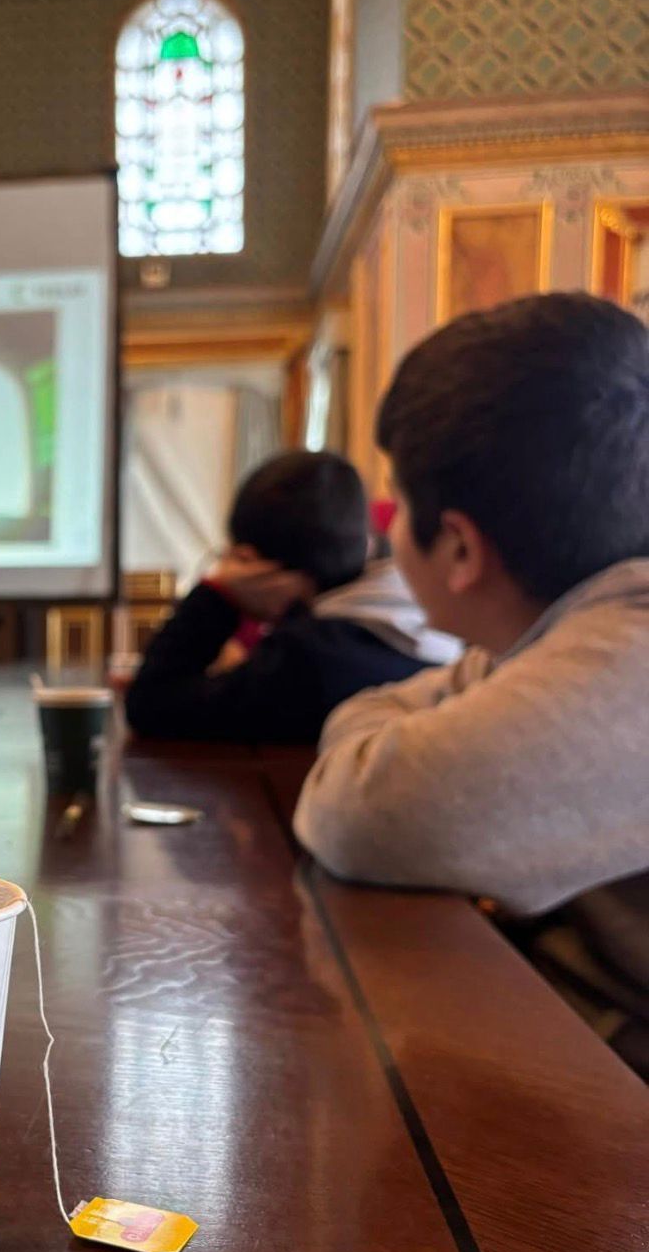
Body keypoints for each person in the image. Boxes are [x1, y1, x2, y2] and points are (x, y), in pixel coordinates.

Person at [294, 293, 649, 1061]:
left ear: (458, 547)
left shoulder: (626, 667)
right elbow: (376, 718)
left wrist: (377, 741)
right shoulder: (563, 632)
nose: (386, 532)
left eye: (396, 505)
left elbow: (359, 808)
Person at [123, 451, 458, 743]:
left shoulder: (308, 661)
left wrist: (217, 594)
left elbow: (151, 705)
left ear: (253, 562)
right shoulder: (432, 618)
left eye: (238, 561)